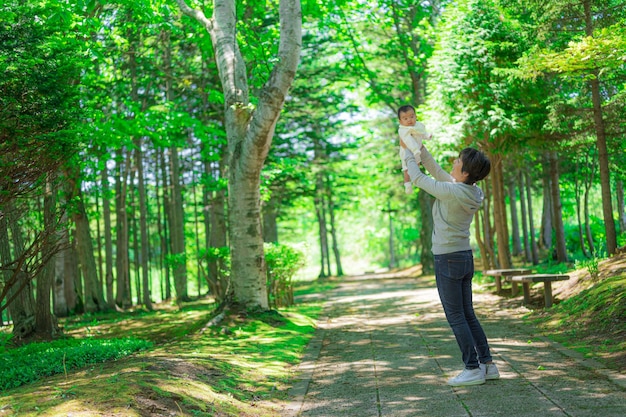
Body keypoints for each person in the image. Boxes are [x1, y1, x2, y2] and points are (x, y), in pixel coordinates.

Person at [402, 143, 500, 387]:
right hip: (464, 257)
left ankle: (471, 368)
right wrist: (418, 147)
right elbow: (434, 170)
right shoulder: (471, 191)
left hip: (447, 258)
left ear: (466, 172)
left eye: (458, 162)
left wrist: (405, 151)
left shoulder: (453, 191)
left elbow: (418, 178)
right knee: (467, 314)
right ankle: (487, 365)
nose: (454, 163)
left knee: (456, 316)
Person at [397, 105, 432, 194]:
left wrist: (427, 136)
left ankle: (416, 181)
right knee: (406, 169)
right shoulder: (403, 130)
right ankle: (407, 184)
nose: (409, 120)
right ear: (400, 121)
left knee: (417, 165)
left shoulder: (418, 126)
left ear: (416, 116)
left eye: (411, 117)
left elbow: (422, 133)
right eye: (405, 118)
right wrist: (415, 149)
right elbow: (406, 141)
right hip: (406, 152)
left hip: (417, 152)